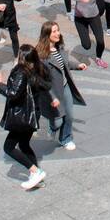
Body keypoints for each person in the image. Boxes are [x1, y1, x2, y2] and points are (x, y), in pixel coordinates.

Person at [0, 49, 57, 191]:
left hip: (22, 118)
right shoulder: (34, 71)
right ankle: (36, 176)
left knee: (9, 147)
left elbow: (13, 93)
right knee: (24, 144)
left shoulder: (22, 72)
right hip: (31, 116)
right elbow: (45, 85)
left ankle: (36, 172)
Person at [37, 20, 86, 151]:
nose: (58, 33)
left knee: (69, 115)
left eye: (58, 30)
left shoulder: (59, 47)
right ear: (47, 34)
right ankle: (53, 127)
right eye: (54, 31)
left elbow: (66, 61)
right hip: (52, 92)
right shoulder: (41, 55)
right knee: (57, 121)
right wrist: (52, 97)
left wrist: (77, 65)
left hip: (65, 87)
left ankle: (65, 138)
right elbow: (41, 80)